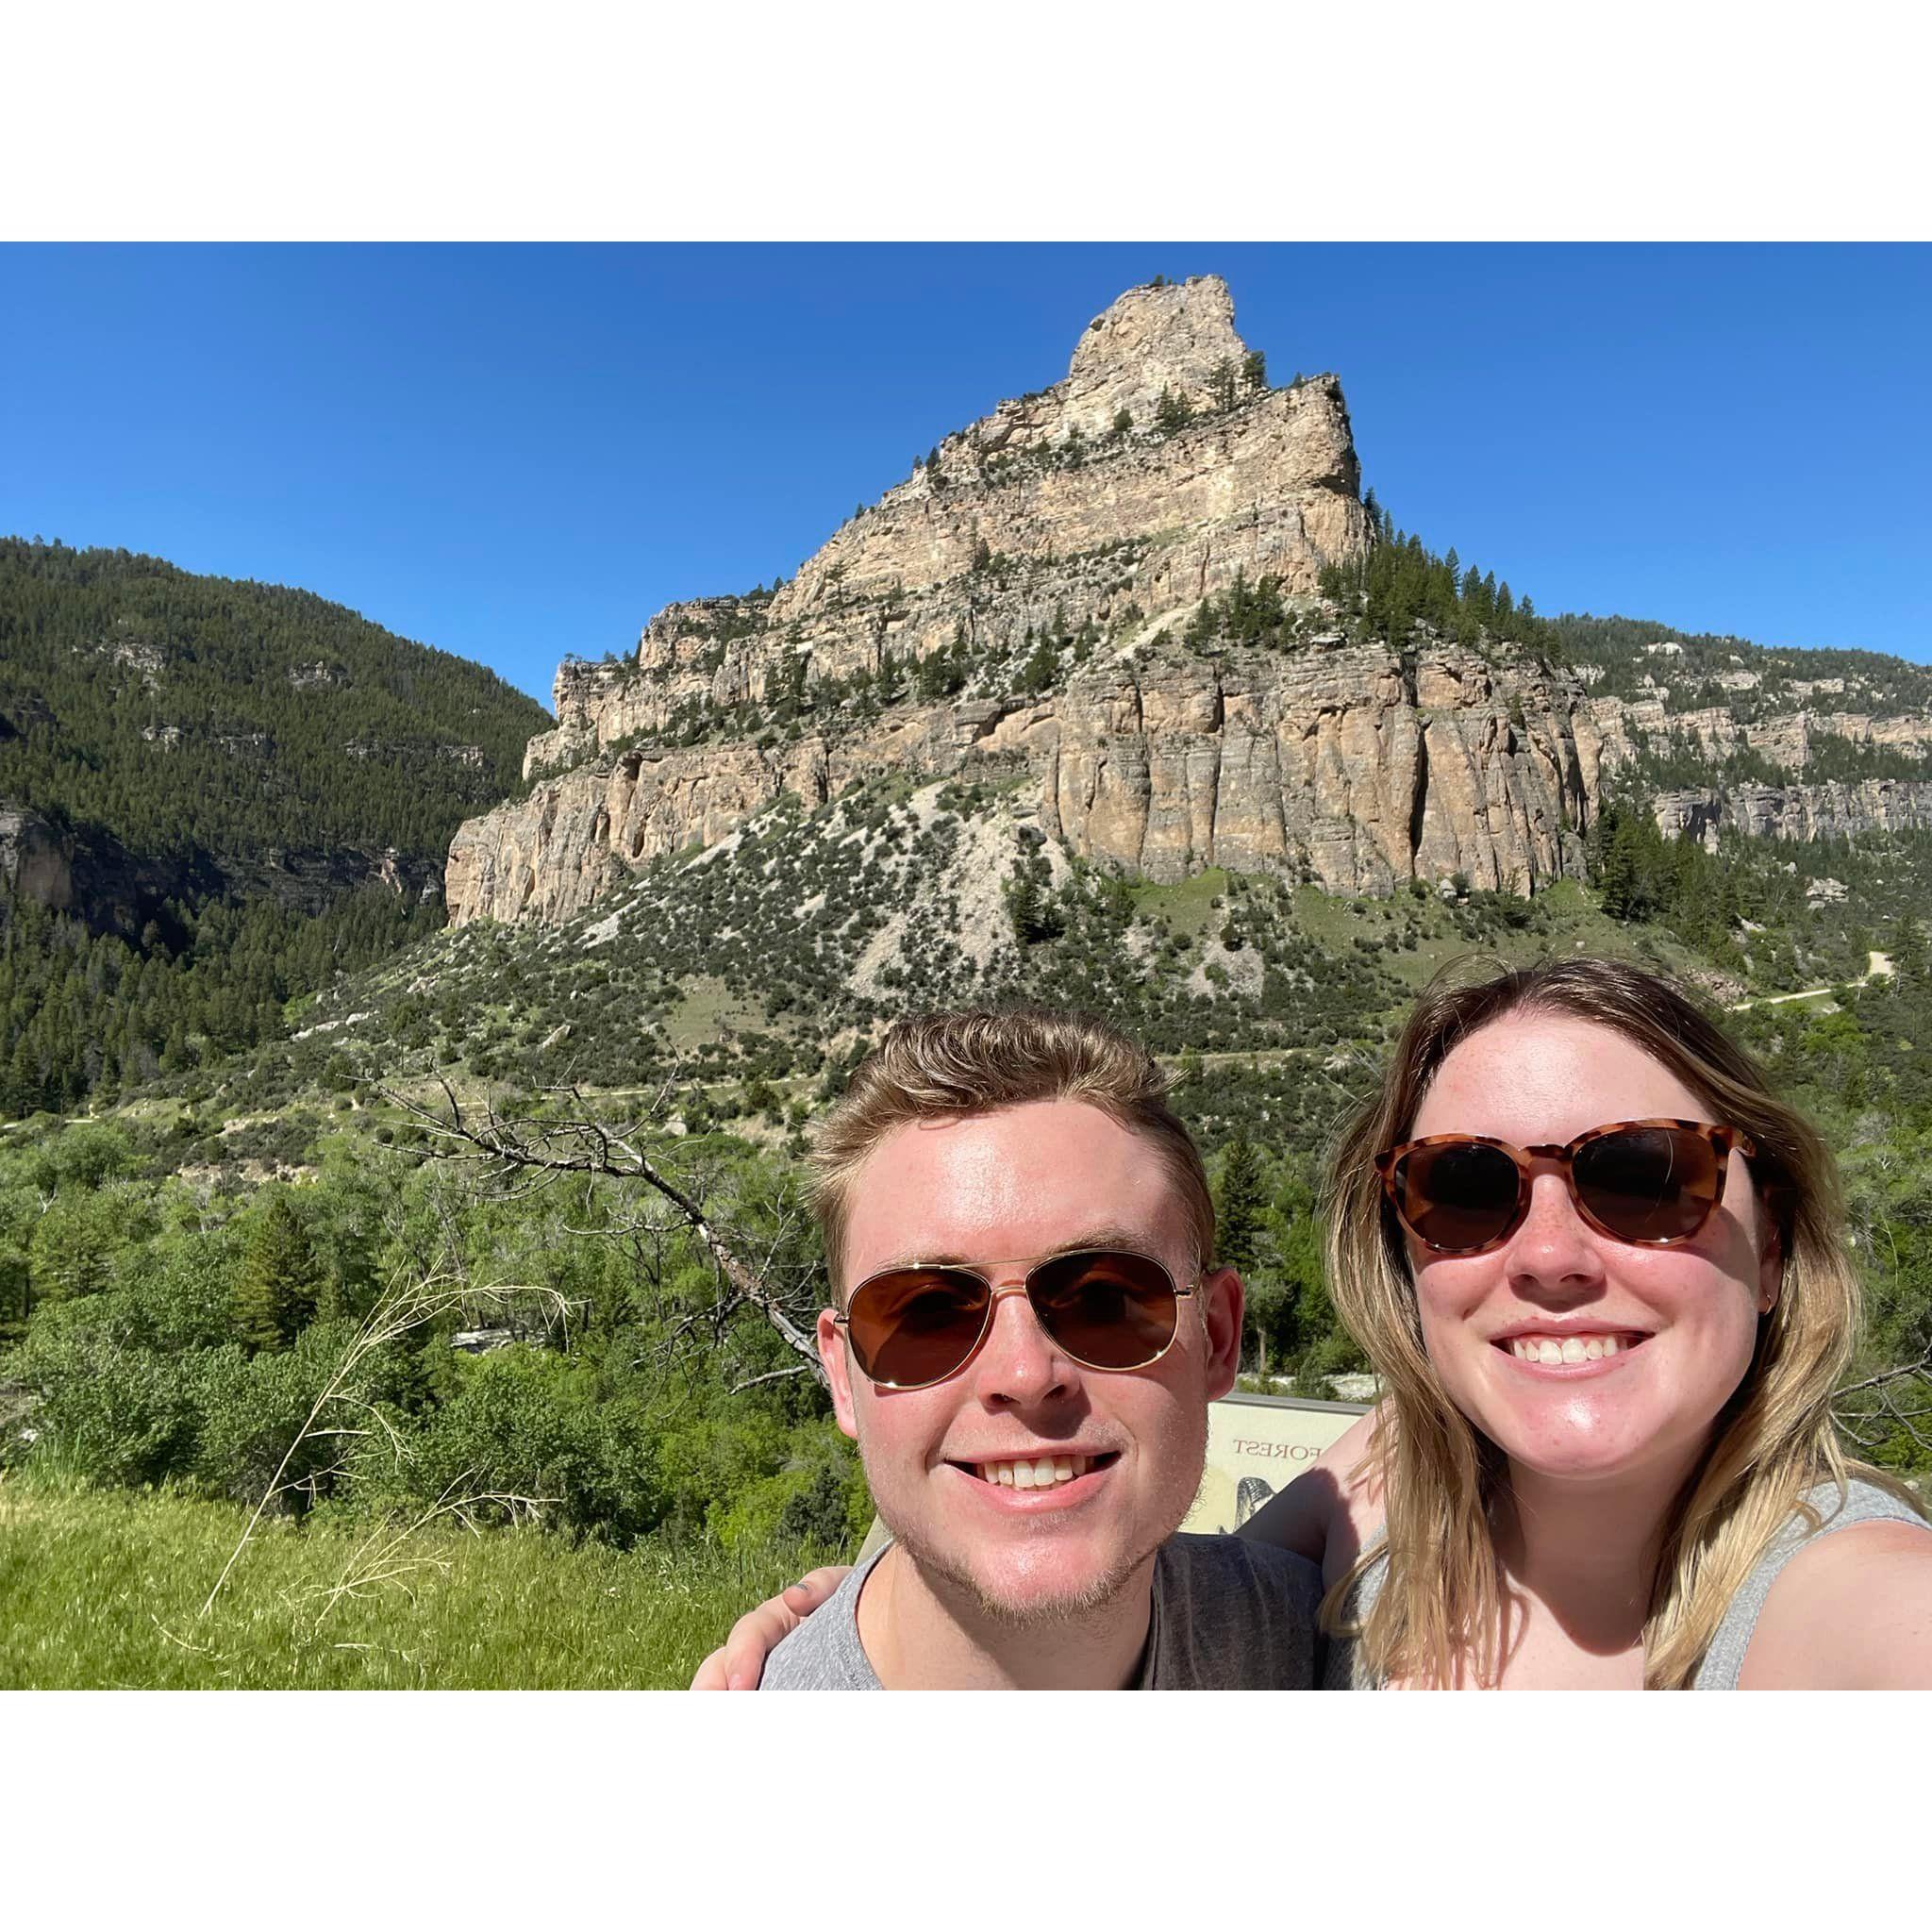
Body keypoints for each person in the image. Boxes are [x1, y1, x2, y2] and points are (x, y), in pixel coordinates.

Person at [699, 957, 1932, 1690]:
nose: (1550, 1254)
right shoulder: (1364, 1532)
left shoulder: (1854, 1604)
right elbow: (1064, 1544)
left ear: (1776, 1246)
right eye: (1467, 1189)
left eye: (1646, 1176)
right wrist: (869, 1598)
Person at [747, 1005, 1323, 1690]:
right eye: (929, 1313)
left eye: (1104, 1300)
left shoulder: (1328, 1643)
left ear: (1217, 1339)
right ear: (844, 1378)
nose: (1023, 1373)